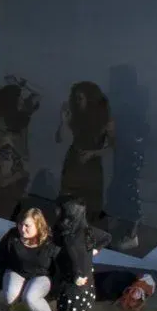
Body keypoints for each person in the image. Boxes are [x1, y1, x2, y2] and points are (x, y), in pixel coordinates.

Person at [0, 203, 58, 311]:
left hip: (41, 275)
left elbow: (58, 266)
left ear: (38, 226)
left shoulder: (50, 242)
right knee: (8, 295)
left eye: (27, 226)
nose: (22, 229)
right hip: (16, 271)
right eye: (20, 225)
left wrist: (55, 289)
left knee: (30, 298)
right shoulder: (12, 236)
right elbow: (0, 257)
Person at [58, 82, 114, 220]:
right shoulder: (75, 116)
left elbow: (112, 146)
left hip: (91, 167)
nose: (77, 102)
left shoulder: (106, 120)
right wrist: (63, 121)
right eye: (75, 98)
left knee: (90, 206)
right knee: (67, 202)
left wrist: (93, 153)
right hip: (73, 163)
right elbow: (60, 139)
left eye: (80, 98)